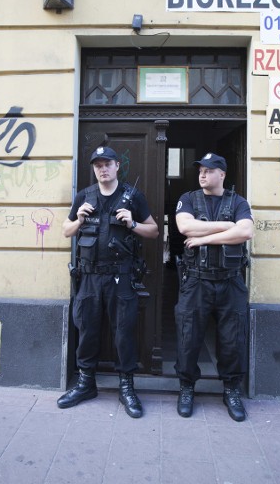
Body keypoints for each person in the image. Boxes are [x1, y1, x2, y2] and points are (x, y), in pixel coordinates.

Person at [58, 146, 159, 418]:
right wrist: (78, 219)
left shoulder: (132, 196)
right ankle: (86, 383)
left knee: (123, 332)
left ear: (117, 166)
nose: (102, 169)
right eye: (97, 165)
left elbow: (154, 230)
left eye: (107, 164)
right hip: (89, 276)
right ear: (94, 169)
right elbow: (65, 231)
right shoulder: (84, 196)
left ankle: (126, 386)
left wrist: (133, 224)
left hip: (120, 276)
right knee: (87, 330)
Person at [174, 152, 253, 422]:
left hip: (230, 282)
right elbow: (185, 226)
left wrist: (204, 236)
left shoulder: (238, 201)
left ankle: (231, 390)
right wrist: (224, 228)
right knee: (188, 337)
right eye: (200, 170)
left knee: (232, 340)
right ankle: (186, 387)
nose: (202, 175)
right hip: (196, 280)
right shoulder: (188, 199)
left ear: (222, 174)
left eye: (209, 170)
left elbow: (245, 232)